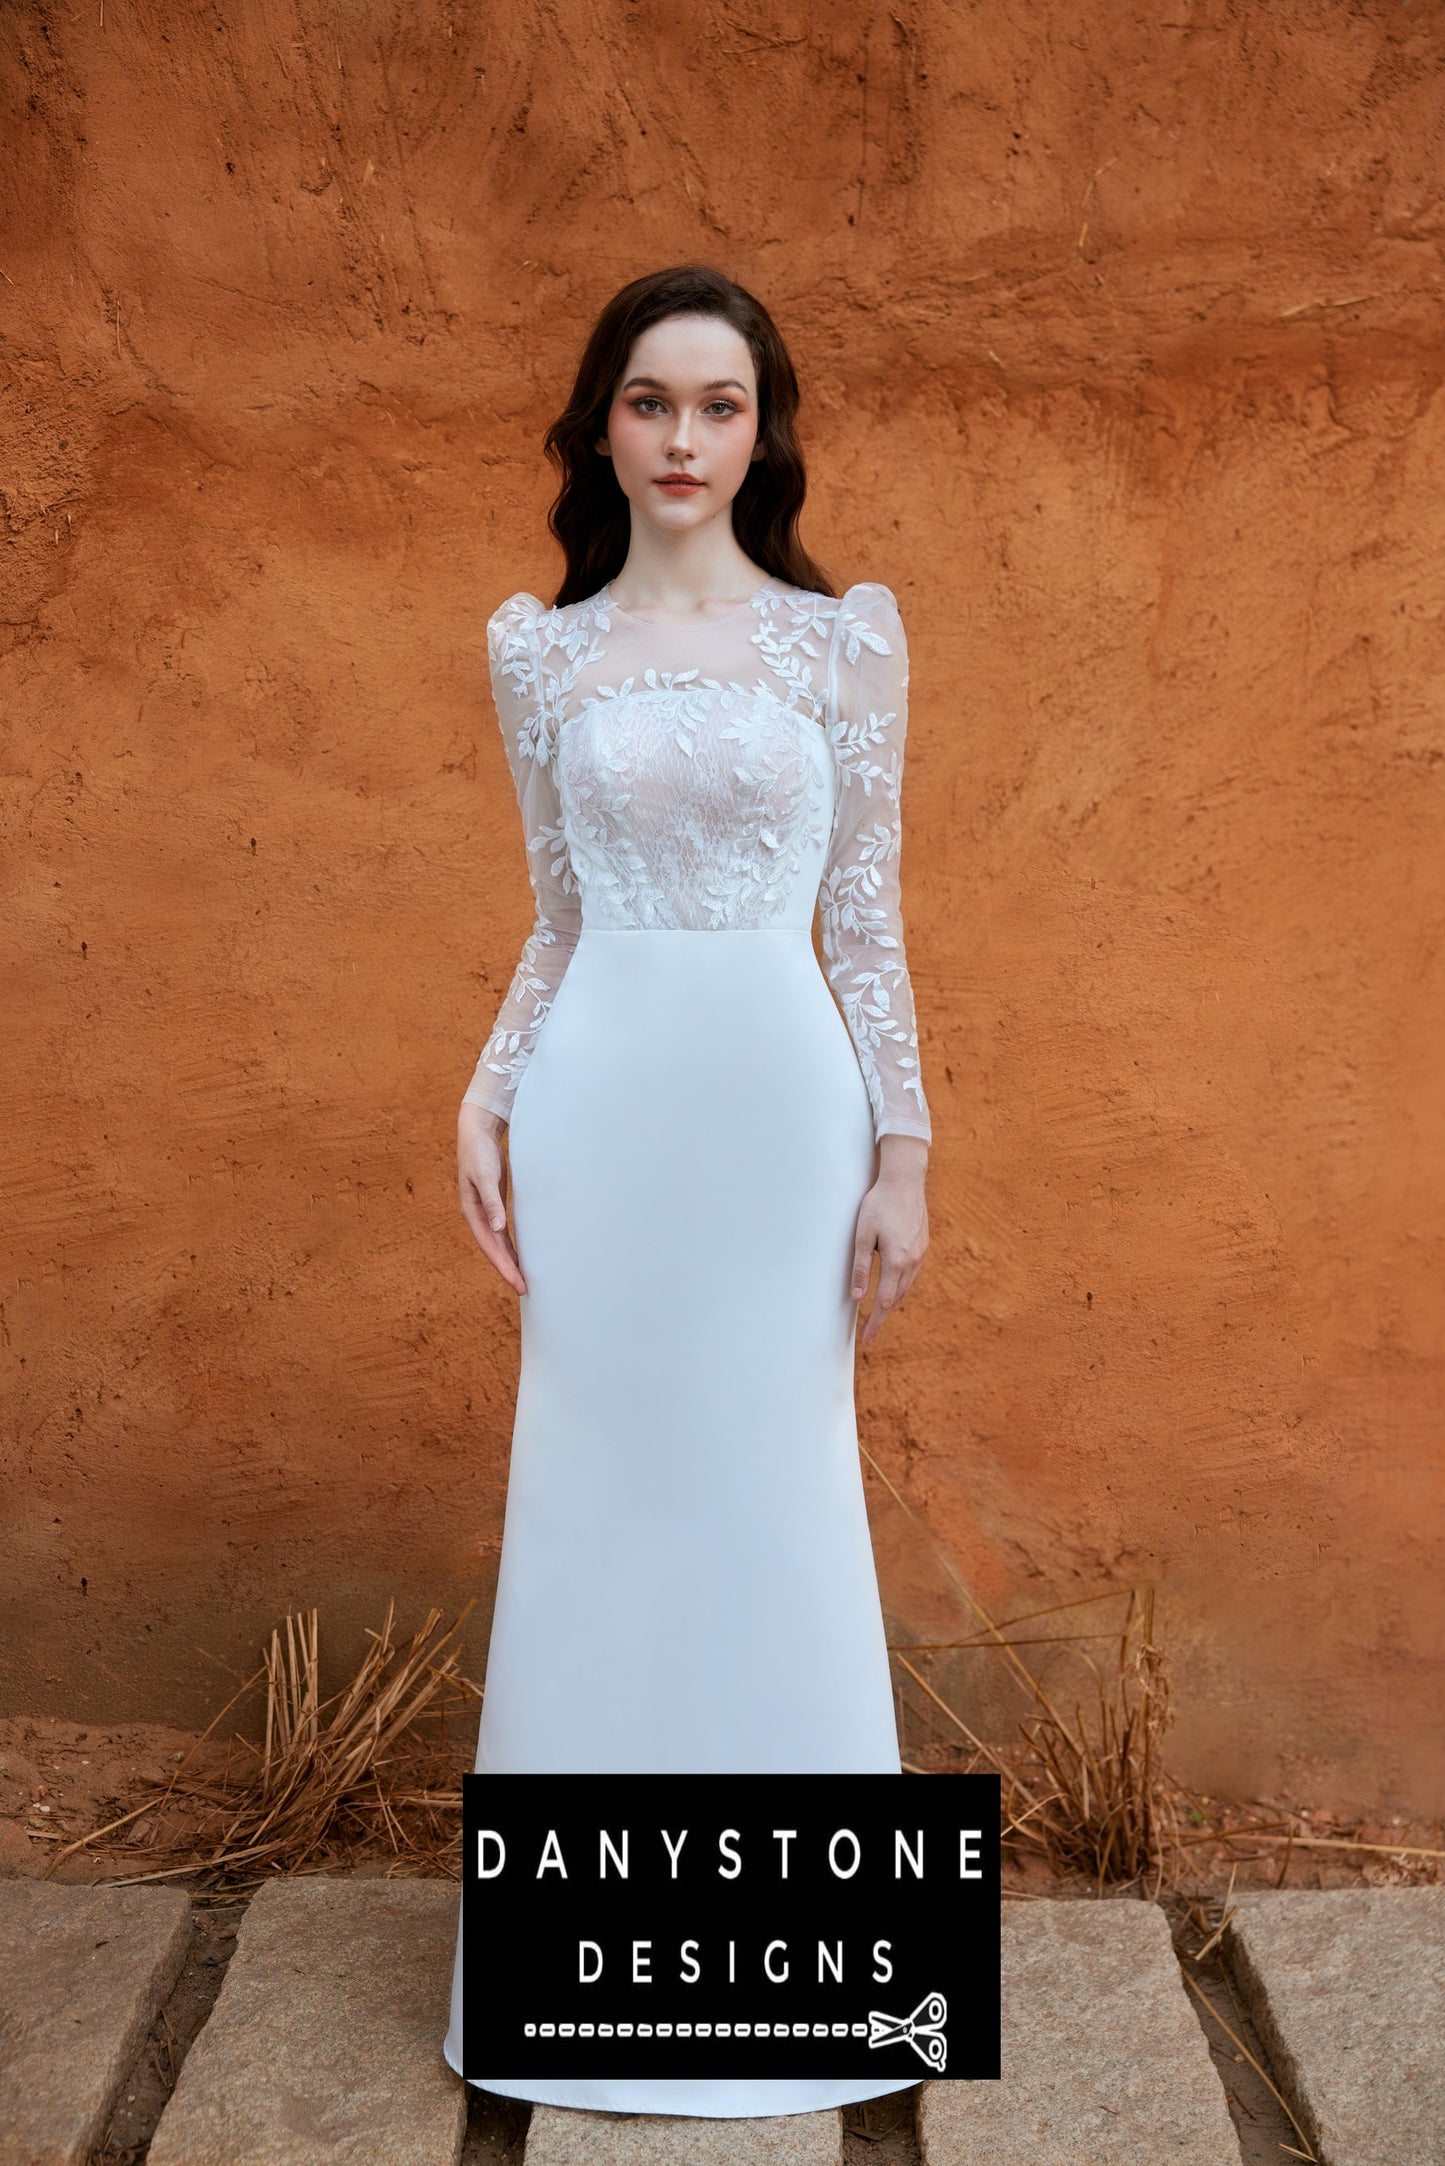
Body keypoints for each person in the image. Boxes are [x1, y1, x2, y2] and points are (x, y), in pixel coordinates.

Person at [443, 262, 932, 2119]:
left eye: (718, 405)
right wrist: (485, 1093)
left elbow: (867, 920)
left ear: (762, 431)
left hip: (779, 1113)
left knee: (777, 1494)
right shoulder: (536, 650)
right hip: (601, 1112)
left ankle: (816, 1988)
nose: (682, 438)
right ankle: (577, 1992)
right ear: (600, 426)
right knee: (593, 1501)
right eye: (650, 401)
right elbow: (557, 915)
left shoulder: (841, 642)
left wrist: (904, 1149)